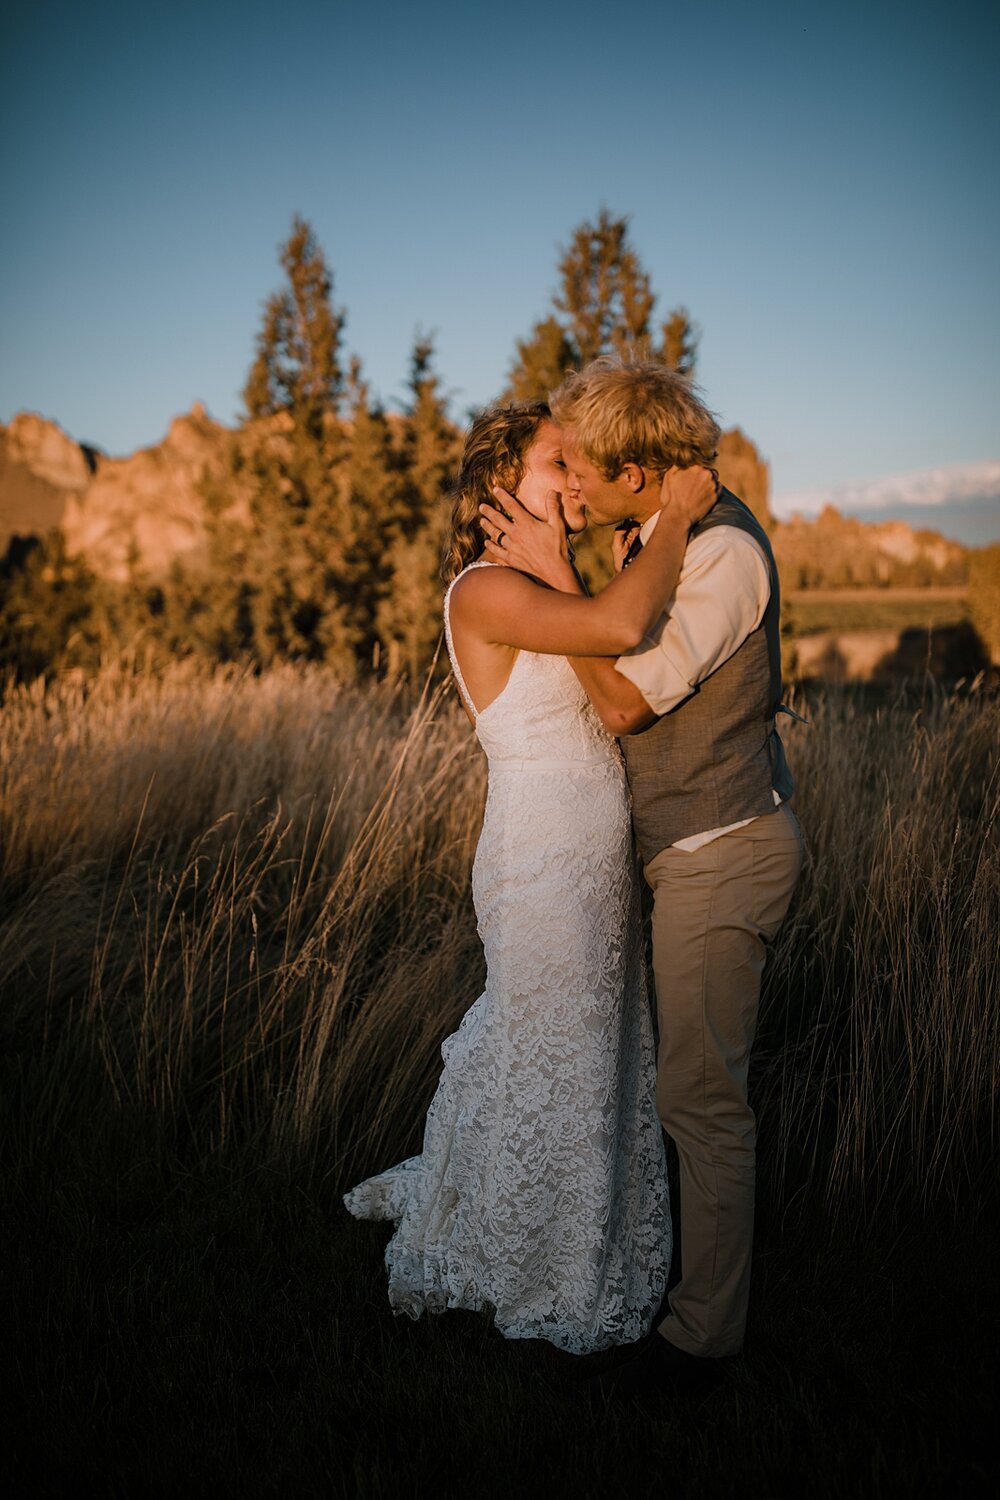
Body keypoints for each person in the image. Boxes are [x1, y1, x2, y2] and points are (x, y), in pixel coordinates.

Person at [343, 400, 718, 1355]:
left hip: (593, 852)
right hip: (543, 854)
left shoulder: (546, 579)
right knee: (552, 1048)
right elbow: (624, 622)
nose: (580, 482)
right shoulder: (483, 591)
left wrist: (574, 561)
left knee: (586, 1054)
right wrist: (676, 512)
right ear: (503, 484)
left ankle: (581, 1244)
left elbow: (622, 669)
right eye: (561, 464)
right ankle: (522, 1263)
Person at [478, 356, 804, 1394]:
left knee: (701, 1100)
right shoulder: (660, 538)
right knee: (684, 1091)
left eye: (580, 465)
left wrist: (567, 575)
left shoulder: (721, 557)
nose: (569, 485)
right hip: (687, 853)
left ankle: (702, 1344)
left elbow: (624, 703)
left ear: (634, 470)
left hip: (722, 851)